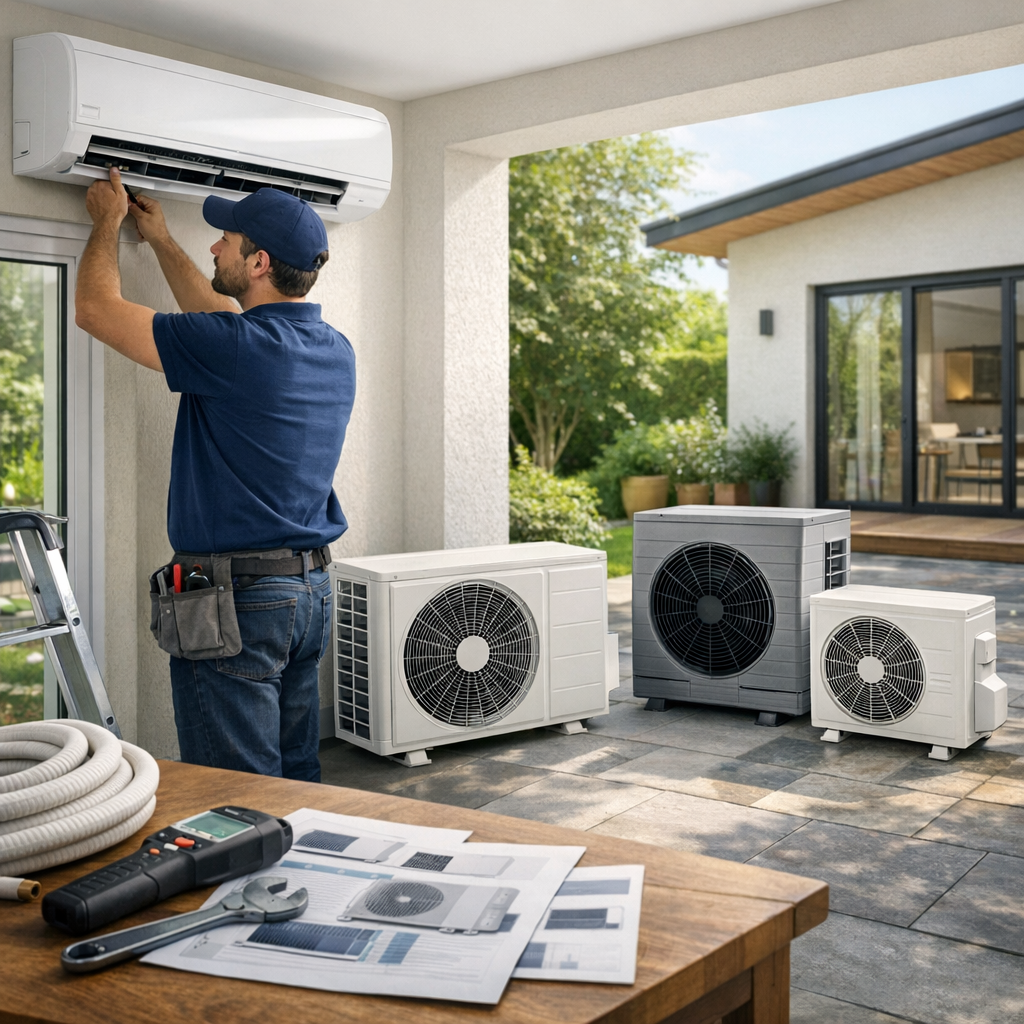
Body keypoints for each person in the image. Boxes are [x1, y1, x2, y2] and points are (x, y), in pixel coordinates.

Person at [77, 168, 355, 781]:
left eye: (225, 240)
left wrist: (106, 223)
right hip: (306, 594)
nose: (214, 246)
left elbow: (95, 310)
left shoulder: (234, 347)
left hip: (241, 604)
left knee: (234, 790)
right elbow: (221, 317)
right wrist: (161, 241)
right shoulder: (332, 348)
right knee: (292, 772)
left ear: (258, 263)